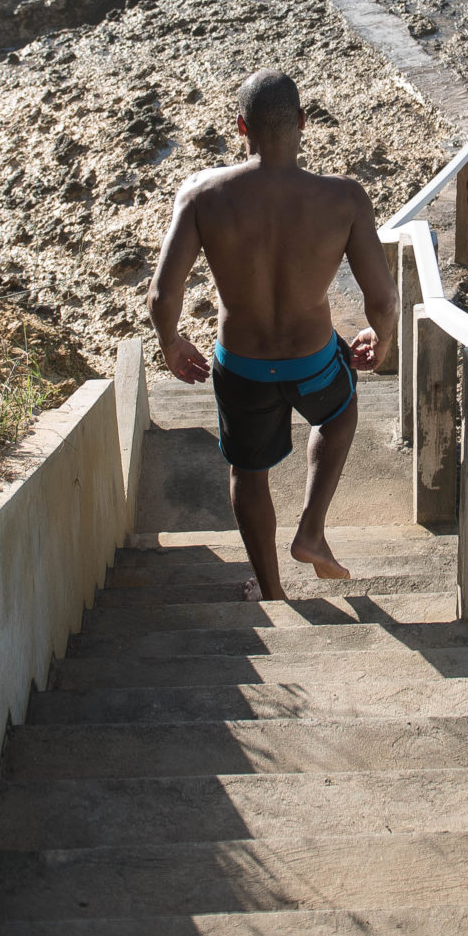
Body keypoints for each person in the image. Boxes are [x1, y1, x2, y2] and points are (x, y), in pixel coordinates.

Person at [150, 69, 398, 603]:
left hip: (240, 364)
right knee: (339, 414)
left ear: (242, 126)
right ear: (303, 123)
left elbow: (161, 297)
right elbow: (383, 300)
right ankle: (311, 529)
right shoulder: (344, 198)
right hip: (311, 360)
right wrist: (383, 340)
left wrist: (171, 342)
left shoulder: (201, 194)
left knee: (247, 469)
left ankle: (271, 592)